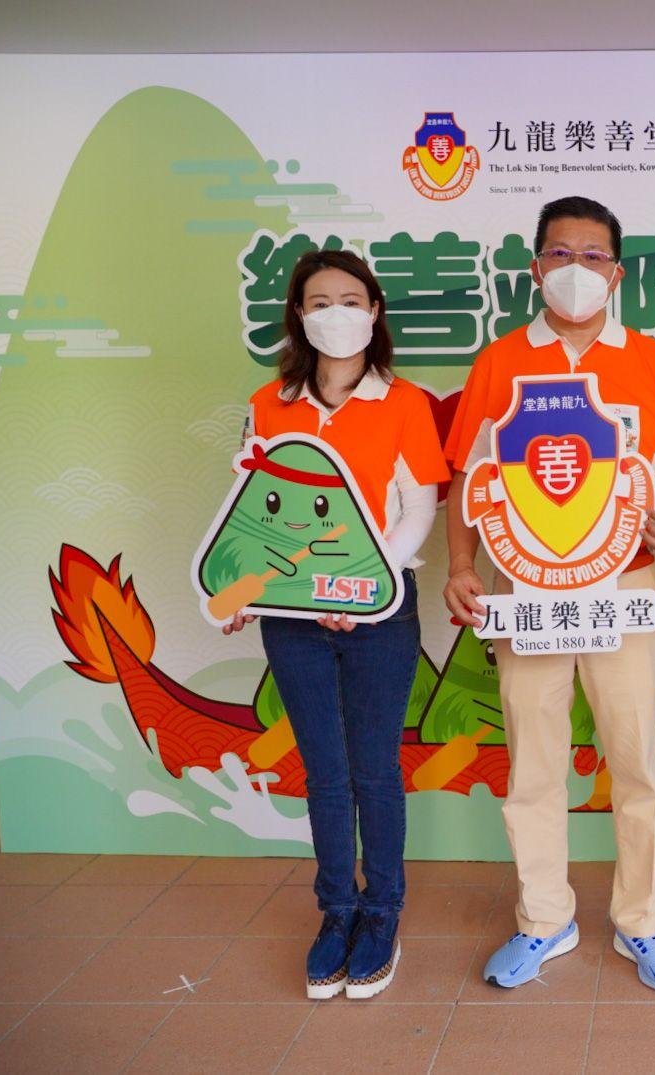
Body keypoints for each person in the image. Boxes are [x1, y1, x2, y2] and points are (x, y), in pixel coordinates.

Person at [441, 196, 655, 992]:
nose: (576, 269)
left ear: (616, 274)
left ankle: (641, 921)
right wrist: (460, 564)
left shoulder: (651, 361)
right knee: (534, 761)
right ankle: (543, 919)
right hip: (525, 585)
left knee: (636, 758)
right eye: (560, 253)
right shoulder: (500, 361)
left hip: (624, 583)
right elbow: (464, 478)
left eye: (593, 256)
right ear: (535, 269)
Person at [220, 248, 448, 1000]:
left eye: (351, 300)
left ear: (374, 311)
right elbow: (255, 513)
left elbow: (418, 510)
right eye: (319, 302)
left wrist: (359, 588)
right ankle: (336, 911)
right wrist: (239, 588)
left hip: (379, 613)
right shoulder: (268, 404)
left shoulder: (405, 403)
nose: (336, 314)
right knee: (324, 771)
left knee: (374, 770)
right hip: (291, 619)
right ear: (298, 314)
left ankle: (381, 913)